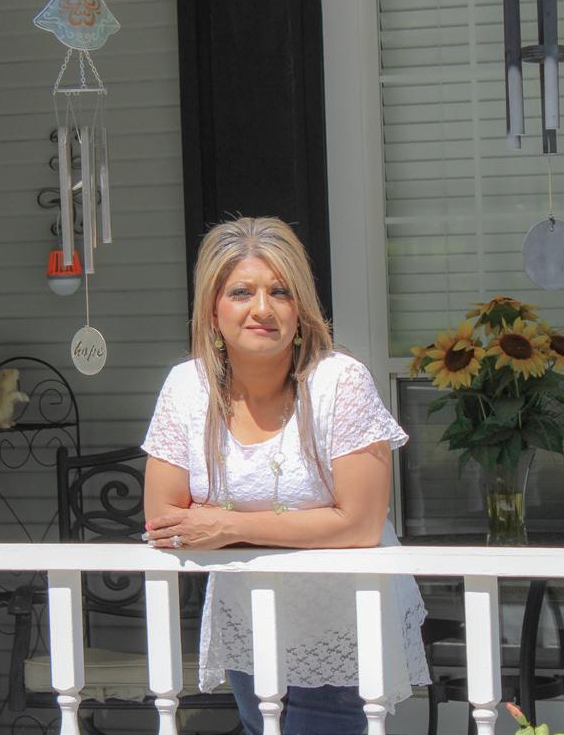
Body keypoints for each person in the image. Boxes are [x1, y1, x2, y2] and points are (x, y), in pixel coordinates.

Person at [141, 216, 428, 735]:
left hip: (341, 625)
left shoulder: (339, 382)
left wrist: (227, 525)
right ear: (212, 309)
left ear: (301, 308)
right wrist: (313, 523)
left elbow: (360, 525)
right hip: (250, 621)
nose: (262, 309)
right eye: (241, 292)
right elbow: (165, 519)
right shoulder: (186, 387)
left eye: (280, 292)